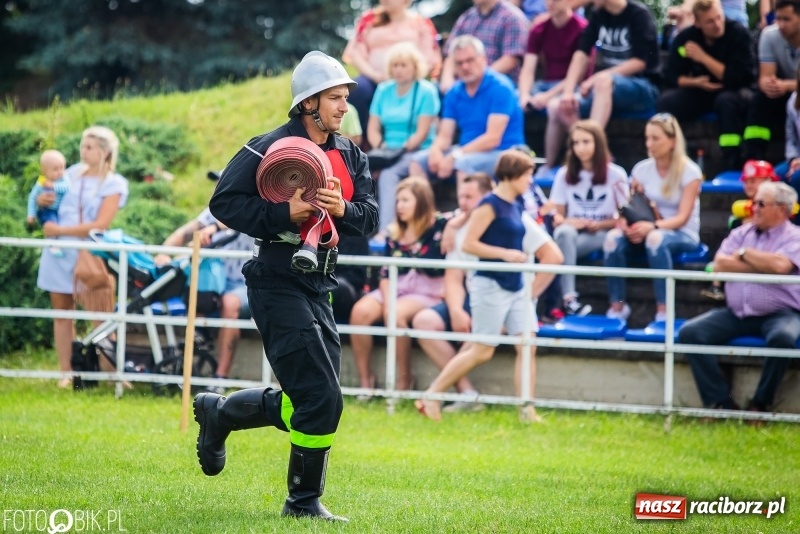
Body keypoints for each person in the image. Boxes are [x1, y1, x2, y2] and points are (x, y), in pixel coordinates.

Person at [200, 51, 378, 522]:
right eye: (335, 98)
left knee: (314, 396)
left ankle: (221, 414)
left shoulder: (351, 154)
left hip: (321, 285)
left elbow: (371, 218)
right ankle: (302, 504)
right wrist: (284, 214)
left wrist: (342, 210)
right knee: (322, 397)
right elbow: (223, 202)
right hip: (275, 281)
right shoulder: (266, 146)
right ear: (308, 103)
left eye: (345, 98)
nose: (343, 107)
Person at [415, 149, 563, 423]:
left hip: (515, 286)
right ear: (512, 174)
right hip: (490, 284)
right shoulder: (489, 205)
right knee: (482, 349)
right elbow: (469, 243)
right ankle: (431, 396)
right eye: (528, 174)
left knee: (527, 342)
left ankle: (527, 410)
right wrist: (504, 254)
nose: (530, 180)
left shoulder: (516, 205)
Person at [678, 181, 800, 420]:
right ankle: (721, 403)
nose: (753, 208)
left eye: (761, 204)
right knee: (690, 333)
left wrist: (745, 255)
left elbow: (780, 266)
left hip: (782, 313)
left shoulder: (794, 237)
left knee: (783, 338)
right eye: (753, 202)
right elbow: (719, 265)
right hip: (736, 313)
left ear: (782, 209)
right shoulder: (740, 232)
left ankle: (760, 406)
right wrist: (762, 266)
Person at [35, 126, 128, 388]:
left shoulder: (114, 183)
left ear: (104, 151)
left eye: (89, 147)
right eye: (82, 146)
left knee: (100, 311)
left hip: (89, 253)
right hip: (58, 252)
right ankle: (66, 372)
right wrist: (42, 202)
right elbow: (51, 198)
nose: (82, 152)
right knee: (62, 312)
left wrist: (59, 230)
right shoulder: (70, 173)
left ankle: (111, 371)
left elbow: (101, 223)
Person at [349, 176, 449, 396]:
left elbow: (466, 215)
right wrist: (388, 298)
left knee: (395, 315)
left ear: (421, 202)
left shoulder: (442, 225)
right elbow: (384, 272)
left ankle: (404, 382)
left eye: (405, 200)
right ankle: (366, 383)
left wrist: (391, 306)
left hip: (428, 288)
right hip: (395, 285)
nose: (399, 206)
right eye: (398, 201)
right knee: (360, 312)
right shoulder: (394, 232)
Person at [603, 113, 702, 322]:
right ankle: (618, 306)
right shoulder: (640, 169)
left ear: (672, 141)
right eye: (647, 138)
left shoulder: (691, 172)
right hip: (646, 229)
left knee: (655, 239)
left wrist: (652, 227)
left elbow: (682, 218)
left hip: (682, 233)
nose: (650, 144)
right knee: (612, 240)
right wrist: (627, 226)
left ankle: (664, 310)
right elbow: (628, 209)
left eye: (656, 138)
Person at [543, 0, 661, 171]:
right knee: (556, 106)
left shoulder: (638, 14)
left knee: (603, 81)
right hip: (605, 90)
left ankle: (594, 147)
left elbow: (640, 62)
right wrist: (568, 92)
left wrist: (597, 78)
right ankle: (549, 166)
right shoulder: (598, 15)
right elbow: (581, 53)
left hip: (642, 87)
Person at [411, 172, 494, 411]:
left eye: (470, 196)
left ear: (487, 197)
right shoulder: (457, 225)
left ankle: (435, 393)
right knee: (424, 320)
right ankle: (466, 393)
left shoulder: (504, 222)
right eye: (461, 197)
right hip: (469, 297)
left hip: (497, 298)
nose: (463, 203)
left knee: (483, 330)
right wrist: (456, 310)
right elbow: (454, 276)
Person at [153, 208, 254, 394]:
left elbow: (238, 216)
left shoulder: (254, 202)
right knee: (197, 285)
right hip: (217, 281)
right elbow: (185, 232)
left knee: (229, 302)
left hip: (249, 283)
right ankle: (191, 360)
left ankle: (220, 378)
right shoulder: (217, 207)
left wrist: (214, 227)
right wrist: (164, 252)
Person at [409, 35, 526, 186]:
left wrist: (455, 156)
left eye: (470, 60)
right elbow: (445, 136)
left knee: (463, 164)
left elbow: (492, 138)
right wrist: (436, 150)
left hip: (506, 151)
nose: (465, 67)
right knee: (418, 161)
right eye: (459, 63)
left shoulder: (500, 87)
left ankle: (465, 210)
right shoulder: (454, 92)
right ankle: (424, 209)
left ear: (482, 59)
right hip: (468, 151)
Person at [658, 0, 756, 172]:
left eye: (719, 17)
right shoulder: (686, 38)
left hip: (736, 91)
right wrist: (695, 83)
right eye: (710, 21)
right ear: (697, 23)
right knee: (667, 102)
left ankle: (732, 162)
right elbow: (672, 76)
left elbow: (737, 77)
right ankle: (674, 158)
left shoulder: (739, 34)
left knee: (726, 102)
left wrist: (703, 58)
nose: (717, 24)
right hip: (701, 90)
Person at [550, 120, 628, 315]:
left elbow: (625, 217)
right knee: (564, 232)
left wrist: (601, 224)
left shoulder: (616, 174)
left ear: (598, 143)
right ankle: (569, 299)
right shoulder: (563, 174)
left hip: (603, 233)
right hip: (573, 235)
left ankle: (617, 304)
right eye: (576, 143)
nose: (580, 148)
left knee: (561, 249)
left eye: (586, 142)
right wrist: (571, 222)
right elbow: (557, 216)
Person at [367, 41, 441, 240]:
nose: (398, 70)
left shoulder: (426, 91)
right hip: (387, 149)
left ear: (415, 67)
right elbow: (373, 128)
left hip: (416, 149)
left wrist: (398, 152)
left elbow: (423, 132)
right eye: (395, 65)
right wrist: (381, 149)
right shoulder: (383, 90)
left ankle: (387, 232)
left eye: (404, 65)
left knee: (389, 174)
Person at [342, 0, 442, 140]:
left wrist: (410, 75)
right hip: (374, 78)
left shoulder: (421, 23)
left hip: (411, 80)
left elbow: (429, 56)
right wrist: (375, 75)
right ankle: (363, 144)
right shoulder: (369, 20)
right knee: (357, 89)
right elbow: (356, 54)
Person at [702, 160, 781, 301]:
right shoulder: (741, 208)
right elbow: (733, 227)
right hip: (740, 252)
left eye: (754, 181)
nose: (749, 185)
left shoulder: (782, 207)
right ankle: (716, 286)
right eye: (747, 181)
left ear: (769, 181)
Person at [744, 0, 800, 161]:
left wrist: (787, 85)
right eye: (778, 18)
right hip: (783, 91)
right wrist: (769, 85)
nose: (781, 24)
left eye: (786, 19)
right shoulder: (769, 35)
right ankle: (754, 158)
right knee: (759, 101)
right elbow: (765, 76)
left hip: (795, 92)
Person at [438, 0, 529, 93]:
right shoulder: (467, 17)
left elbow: (511, 60)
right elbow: (450, 53)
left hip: (498, 88)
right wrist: (447, 79)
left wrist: (479, 79)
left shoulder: (512, 17)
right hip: (465, 87)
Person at [518, 0, 588, 114]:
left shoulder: (582, 29)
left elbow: (577, 77)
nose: (550, 3)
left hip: (572, 89)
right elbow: (528, 69)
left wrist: (548, 96)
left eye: (556, 0)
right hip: (544, 85)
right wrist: (524, 95)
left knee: (555, 107)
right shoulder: (539, 29)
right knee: (511, 99)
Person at [26, 149, 69, 230]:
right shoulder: (42, 181)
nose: (60, 172)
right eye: (55, 169)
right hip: (48, 210)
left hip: (62, 210)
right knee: (51, 224)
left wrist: (53, 186)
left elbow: (67, 187)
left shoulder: (64, 178)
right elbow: (33, 197)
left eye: (62, 167)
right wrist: (31, 214)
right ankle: (51, 239)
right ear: (44, 171)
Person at [775, 66, 800, 192]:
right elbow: (791, 138)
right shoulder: (793, 101)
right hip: (798, 158)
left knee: (797, 178)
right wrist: (793, 159)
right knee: (778, 174)